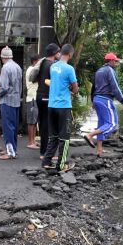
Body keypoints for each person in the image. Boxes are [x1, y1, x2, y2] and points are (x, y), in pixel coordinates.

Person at [84, 52, 123, 156]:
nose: (116, 63)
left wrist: (93, 101)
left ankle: (99, 150)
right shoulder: (110, 70)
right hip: (105, 99)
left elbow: (93, 88)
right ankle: (90, 135)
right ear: (111, 61)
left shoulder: (98, 71)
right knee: (112, 124)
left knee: (102, 123)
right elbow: (115, 88)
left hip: (97, 99)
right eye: (116, 61)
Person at [41, 44, 78, 172]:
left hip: (51, 105)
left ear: (61, 52)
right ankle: (61, 165)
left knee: (53, 136)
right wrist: (72, 89)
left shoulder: (53, 66)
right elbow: (75, 88)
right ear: (70, 54)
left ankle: (46, 161)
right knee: (64, 138)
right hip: (64, 106)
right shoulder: (69, 68)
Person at [31, 43, 61, 159]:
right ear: (54, 53)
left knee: (43, 124)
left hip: (40, 95)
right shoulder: (53, 65)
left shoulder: (42, 62)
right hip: (48, 97)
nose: (59, 54)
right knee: (51, 126)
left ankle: (43, 152)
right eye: (58, 52)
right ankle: (48, 153)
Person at [0, 47, 22, 160]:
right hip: (16, 100)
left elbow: (4, 87)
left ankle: (10, 152)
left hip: (7, 101)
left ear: (2, 57)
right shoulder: (17, 66)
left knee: (7, 127)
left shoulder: (5, 68)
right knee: (13, 127)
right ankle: (12, 149)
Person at [25, 54, 40, 149]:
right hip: (32, 98)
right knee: (31, 121)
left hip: (35, 97)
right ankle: (30, 142)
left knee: (34, 121)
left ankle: (33, 140)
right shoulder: (31, 70)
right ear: (35, 61)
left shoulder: (33, 69)